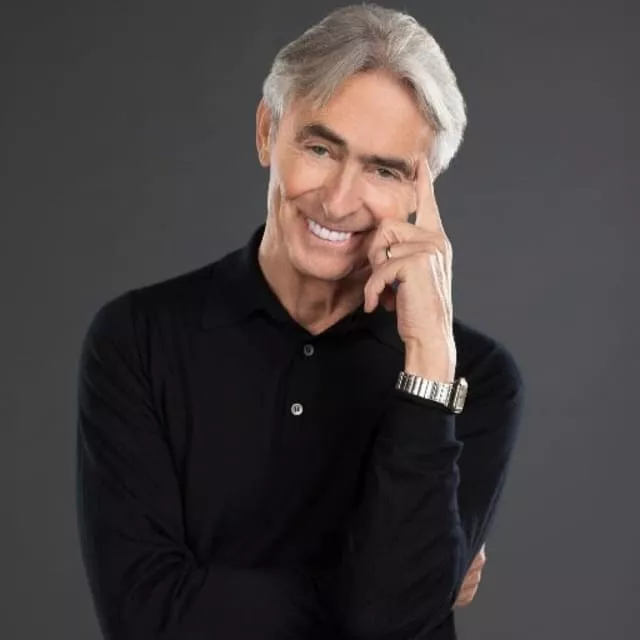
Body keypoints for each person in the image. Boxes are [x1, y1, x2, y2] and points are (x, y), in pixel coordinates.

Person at [75, 3, 525, 639]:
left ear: (422, 192)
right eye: (319, 148)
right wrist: (403, 581)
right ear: (267, 131)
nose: (338, 201)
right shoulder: (137, 340)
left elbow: (393, 623)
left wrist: (428, 363)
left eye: (384, 169)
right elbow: (145, 617)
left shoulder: (475, 376)